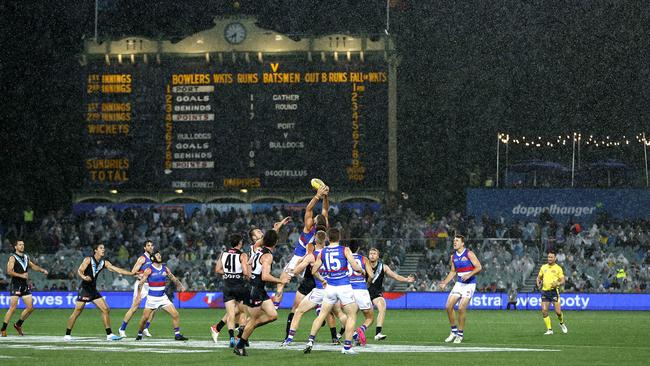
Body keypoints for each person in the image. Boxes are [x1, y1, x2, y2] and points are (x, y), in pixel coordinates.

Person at [281, 230, 348, 347]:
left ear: (315, 241)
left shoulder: (312, 256)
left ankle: (289, 339)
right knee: (339, 314)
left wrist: (293, 267)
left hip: (319, 290)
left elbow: (297, 271)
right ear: (325, 240)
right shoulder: (331, 252)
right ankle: (355, 334)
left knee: (298, 311)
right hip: (333, 288)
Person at [303, 228, 364, 355]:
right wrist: (362, 271)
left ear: (328, 238)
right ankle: (347, 347)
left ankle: (310, 341)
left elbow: (314, 271)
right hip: (344, 287)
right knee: (352, 315)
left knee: (322, 315)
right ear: (339, 237)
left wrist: (322, 279)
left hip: (330, 287)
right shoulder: (345, 249)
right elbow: (355, 266)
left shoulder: (322, 252)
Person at [233, 230, 289, 356]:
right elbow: (265, 276)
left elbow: (248, 263)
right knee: (253, 320)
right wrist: (280, 280)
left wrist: (250, 276)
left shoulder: (258, 250)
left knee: (273, 315)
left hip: (258, 289)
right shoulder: (268, 256)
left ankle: (245, 329)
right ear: (276, 242)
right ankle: (240, 345)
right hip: (255, 290)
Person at [64, 243, 135, 341]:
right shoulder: (88, 260)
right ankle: (67, 335)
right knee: (77, 311)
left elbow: (116, 269)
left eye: (104, 248)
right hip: (84, 289)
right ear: (95, 250)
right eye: (101, 248)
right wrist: (84, 277)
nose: (103, 250)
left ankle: (109, 334)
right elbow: (80, 270)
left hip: (93, 289)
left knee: (106, 309)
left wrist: (131, 273)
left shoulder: (104, 263)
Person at [276, 185, 330, 307]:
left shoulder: (308, 228)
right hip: (316, 258)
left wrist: (317, 195)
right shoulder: (324, 228)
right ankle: (320, 308)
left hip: (300, 257)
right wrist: (325, 196)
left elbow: (309, 209)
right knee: (317, 285)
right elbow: (325, 210)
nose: (315, 216)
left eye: (315, 217)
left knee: (281, 281)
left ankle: (274, 307)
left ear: (314, 221)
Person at [134, 250, 187, 341]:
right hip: (151, 299)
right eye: (157, 255)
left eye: (159, 255)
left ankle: (177, 335)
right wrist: (138, 295)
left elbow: (173, 277)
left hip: (163, 298)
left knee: (175, 314)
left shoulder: (165, 268)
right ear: (153, 258)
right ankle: (139, 334)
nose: (159, 256)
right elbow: (141, 283)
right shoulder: (149, 269)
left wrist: (180, 286)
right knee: (144, 319)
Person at [439, 234, 482, 344]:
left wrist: (469, 275)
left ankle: (460, 334)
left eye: (457, 241)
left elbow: (479, 267)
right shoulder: (453, 257)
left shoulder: (469, 253)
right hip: (459, 283)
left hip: (470, 284)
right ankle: (453, 331)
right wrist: (444, 282)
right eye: (454, 241)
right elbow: (453, 271)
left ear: (462, 243)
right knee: (448, 306)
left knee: (461, 307)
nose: (454, 242)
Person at [1, 240, 48, 337]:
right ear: (15, 247)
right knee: (13, 308)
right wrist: (21, 275)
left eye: (23, 244)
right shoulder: (12, 257)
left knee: (30, 308)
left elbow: (33, 266)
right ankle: (3, 329)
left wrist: (42, 270)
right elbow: (9, 271)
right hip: (16, 284)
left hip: (24, 285)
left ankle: (18, 324)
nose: (22, 246)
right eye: (20, 245)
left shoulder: (26, 257)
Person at [211, 233, 251, 347]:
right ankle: (241, 337)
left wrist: (229, 273)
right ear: (240, 243)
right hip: (240, 285)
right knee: (243, 311)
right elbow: (245, 271)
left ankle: (231, 338)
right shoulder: (242, 255)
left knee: (231, 313)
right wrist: (247, 275)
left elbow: (217, 269)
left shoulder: (223, 254)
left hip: (227, 286)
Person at [366, 247, 415, 340]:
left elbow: (395, 276)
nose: (372, 255)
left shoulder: (383, 267)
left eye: (374, 253)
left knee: (382, 305)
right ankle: (342, 333)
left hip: (376, 294)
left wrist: (406, 279)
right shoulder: (364, 265)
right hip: (363, 293)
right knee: (355, 313)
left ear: (378, 256)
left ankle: (378, 333)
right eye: (370, 253)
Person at [119, 240, 156, 337]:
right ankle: (122, 329)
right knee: (134, 307)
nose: (151, 247)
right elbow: (133, 272)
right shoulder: (142, 259)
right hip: (141, 285)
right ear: (145, 248)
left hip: (150, 285)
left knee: (153, 308)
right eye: (148, 245)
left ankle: (145, 328)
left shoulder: (153, 258)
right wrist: (141, 275)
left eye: (152, 245)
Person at [348, 240, 375, 346]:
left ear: (348, 248)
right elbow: (371, 276)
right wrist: (367, 283)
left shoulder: (346, 258)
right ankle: (360, 330)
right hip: (361, 290)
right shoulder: (364, 259)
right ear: (358, 248)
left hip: (348, 290)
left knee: (350, 317)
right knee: (369, 318)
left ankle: (352, 338)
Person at [536, 251, 568, 335]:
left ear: (555, 258)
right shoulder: (543, 267)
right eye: (548, 257)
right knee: (544, 311)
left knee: (558, 312)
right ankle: (549, 329)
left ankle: (561, 323)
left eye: (551, 257)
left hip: (554, 292)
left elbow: (563, 280)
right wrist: (538, 283)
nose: (549, 259)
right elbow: (538, 278)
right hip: (545, 291)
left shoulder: (558, 268)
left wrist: (557, 283)